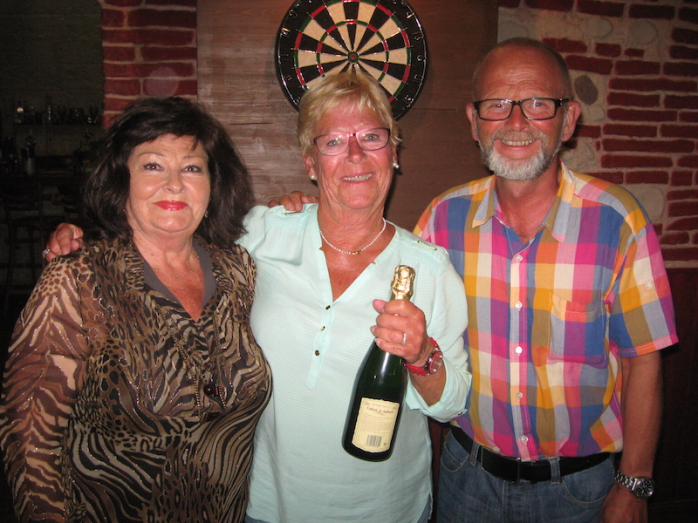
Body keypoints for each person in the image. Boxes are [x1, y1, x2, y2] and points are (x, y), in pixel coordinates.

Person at [44, 72, 472, 523]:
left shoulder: (429, 268)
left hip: (384, 508)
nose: (355, 154)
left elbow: (452, 404)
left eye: (371, 137)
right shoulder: (261, 232)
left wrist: (422, 356)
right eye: (333, 142)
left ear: (394, 153)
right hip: (264, 502)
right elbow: (166, 246)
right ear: (310, 164)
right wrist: (87, 245)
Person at [413, 38, 677, 523]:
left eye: (537, 103)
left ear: (568, 119)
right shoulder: (441, 220)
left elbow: (643, 360)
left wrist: (635, 484)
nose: (516, 122)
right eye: (497, 104)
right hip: (466, 478)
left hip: (582, 490)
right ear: (474, 121)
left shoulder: (618, 220)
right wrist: (308, 218)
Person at [0, 97, 272, 523]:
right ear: (120, 180)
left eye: (192, 168)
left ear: (213, 184)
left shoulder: (239, 271)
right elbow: (29, 442)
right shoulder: (78, 280)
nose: (175, 184)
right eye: (153, 165)